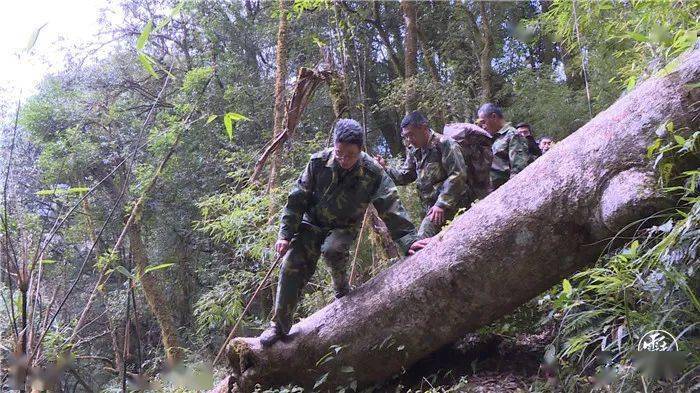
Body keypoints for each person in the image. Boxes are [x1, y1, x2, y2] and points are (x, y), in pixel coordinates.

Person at [259, 119, 419, 346]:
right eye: (340, 153)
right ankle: (279, 326)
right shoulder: (317, 163)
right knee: (291, 264)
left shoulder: (373, 172)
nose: (344, 160)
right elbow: (296, 200)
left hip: (344, 226)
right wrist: (285, 235)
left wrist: (408, 240)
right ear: (334, 146)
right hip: (311, 224)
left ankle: (342, 287)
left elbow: (391, 206)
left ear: (360, 151)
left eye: (351, 155)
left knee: (333, 249)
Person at [376, 111, 468, 239]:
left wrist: (441, 204)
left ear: (423, 128)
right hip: (431, 209)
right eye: (406, 136)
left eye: (411, 135)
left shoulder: (444, 143)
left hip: (452, 204)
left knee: (423, 239)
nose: (409, 140)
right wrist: (384, 168)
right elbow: (405, 176)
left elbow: (458, 175)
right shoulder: (415, 151)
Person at [477, 103, 529, 190]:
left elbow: (518, 168)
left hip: (507, 190)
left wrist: (511, 190)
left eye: (484, 122)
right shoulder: (490, 138)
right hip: (492, 192)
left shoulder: (512, 135)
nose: (483, 126)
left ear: (494, 117)